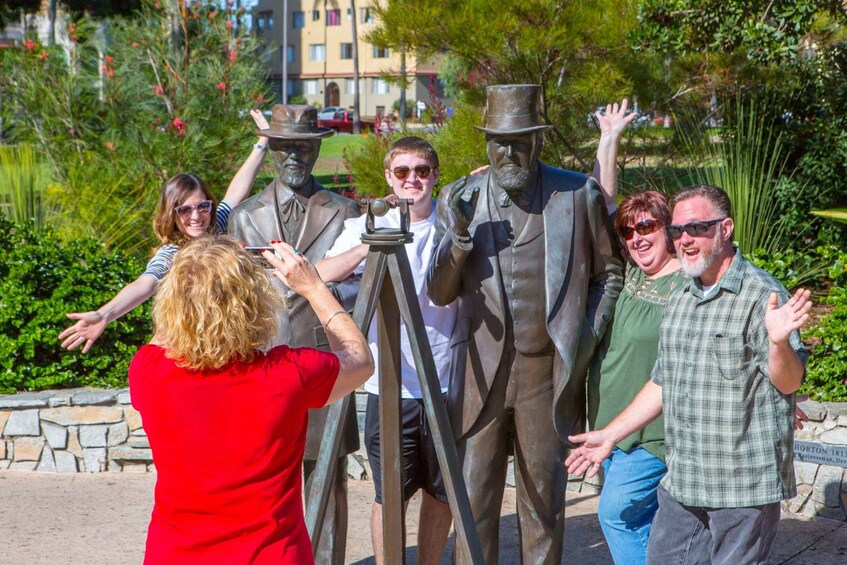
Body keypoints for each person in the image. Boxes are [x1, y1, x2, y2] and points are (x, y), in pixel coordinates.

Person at [426, 84, 624, 564]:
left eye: (519, 142)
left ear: (538, 141)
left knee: (543, 503)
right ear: (486, 144)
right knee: (473, 501)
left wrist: (584, 334)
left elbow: (610, 274)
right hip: (480, 375)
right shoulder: (460, 197)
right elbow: (438, 291)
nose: (508, 152)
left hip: (546, 375)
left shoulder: (577, 194)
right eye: (499, 142)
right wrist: (457, 238)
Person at [567, 184, 812, 564]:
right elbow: (663, 383)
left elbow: (789, 382)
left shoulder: (761, 294)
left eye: (698, 228)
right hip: (683, 483)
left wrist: (779, 344)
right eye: (679, 231)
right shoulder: (681, 298)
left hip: (740, 487)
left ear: (725, 228)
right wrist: (609, 434)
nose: (686, 239)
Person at [128, 236, 373, 564]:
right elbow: (359, 359)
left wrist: (190, 273)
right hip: (271, 554)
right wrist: (314, 288)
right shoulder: (290, 374)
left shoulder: (147, 371)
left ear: (173, 302)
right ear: (255, 301)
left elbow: (167, 332)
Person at [227, 104, 361, 565]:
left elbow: (360, 287)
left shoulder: (345, 211)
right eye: (284, 147)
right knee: (265, 487)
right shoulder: (245, 216)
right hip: (264, 366)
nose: (293, 157)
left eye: (302, 147)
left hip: (325, 363)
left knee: (328, 481)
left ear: (316, 147)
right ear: (272, 150)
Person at [315, 136, 456, 565]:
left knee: (442, 490)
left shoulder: (451, 225)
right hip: (390, 384)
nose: (412, 179)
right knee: (388, 493)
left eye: (422, 171)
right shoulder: (363, 226)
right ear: (388, 178)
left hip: (448, 379)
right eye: (402, 172)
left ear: (434, 176)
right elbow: (318, 274)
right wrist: (374, 243)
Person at [58, 110, 270, 353]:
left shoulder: (217, 226)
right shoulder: (172, 253)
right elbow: (145, 284)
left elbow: (237, 191)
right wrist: (104, 314)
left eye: (203, 206)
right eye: (185, 210)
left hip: (230, 342)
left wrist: (263, 140)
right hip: (191, 348)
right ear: (173, 214)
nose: (196, 217)